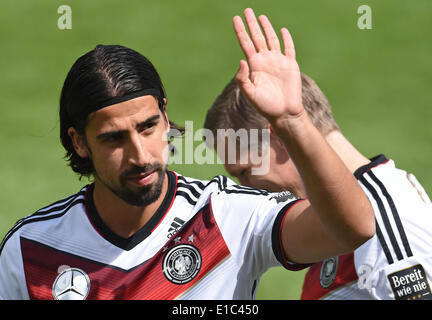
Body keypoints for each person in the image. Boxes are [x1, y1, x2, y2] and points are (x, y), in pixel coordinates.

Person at [0, 8, 374, 300]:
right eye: (114, 139)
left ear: (165, 115)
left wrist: (293, 120)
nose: (140, 154)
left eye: (148, 127)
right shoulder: (31, 248)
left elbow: (352, 229)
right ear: (79, 142)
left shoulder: (227, 216)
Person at [204, 67, 432, 300]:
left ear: (281, 139)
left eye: (246, 171)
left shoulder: (383, 219)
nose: (248, 189)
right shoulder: (331, 218)